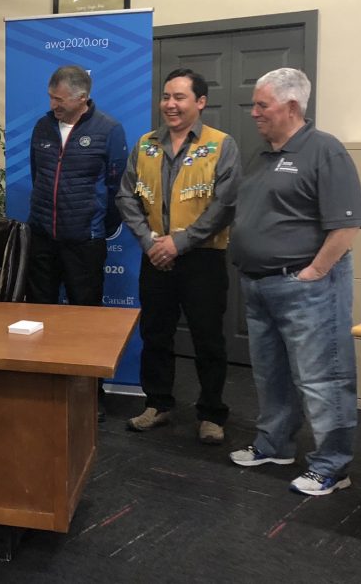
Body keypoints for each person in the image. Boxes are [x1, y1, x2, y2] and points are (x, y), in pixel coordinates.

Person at [228, 68, 361, 496]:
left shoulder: (325, 151)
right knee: (271, 375)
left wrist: (315, 273)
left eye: (261, 105)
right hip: (259, 286)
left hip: (306, 288)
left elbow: (346, 227)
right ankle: (275, 444)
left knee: (323, 379)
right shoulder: (261, 154)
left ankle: (332, 466)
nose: (253, 113)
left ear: (291, 107)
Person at [117, 68, 239, 445]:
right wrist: (151, 242)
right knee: (155, 334)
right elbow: (126, 196)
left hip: (201, 258)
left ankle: (211, 413)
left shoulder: (221, 145)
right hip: (155, 256)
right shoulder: (145, 144)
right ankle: (158, 404)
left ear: (200, 102)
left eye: (180, 97)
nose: (170, 104)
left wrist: (180, 242)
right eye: (166, 96)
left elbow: (225, 204)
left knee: (208, 339)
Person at [27, 65, 128, 421]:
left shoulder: (109, 130)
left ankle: (89, 396)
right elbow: (38, 173)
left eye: (59, 98)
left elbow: (117, 187)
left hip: (84, 242)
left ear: (81, 98)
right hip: (42, 236)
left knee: (86, 321)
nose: (52, 104)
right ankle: (42, 389)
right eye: (51, 96)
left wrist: (92, 224)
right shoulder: (42, 126)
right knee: (39, 313)